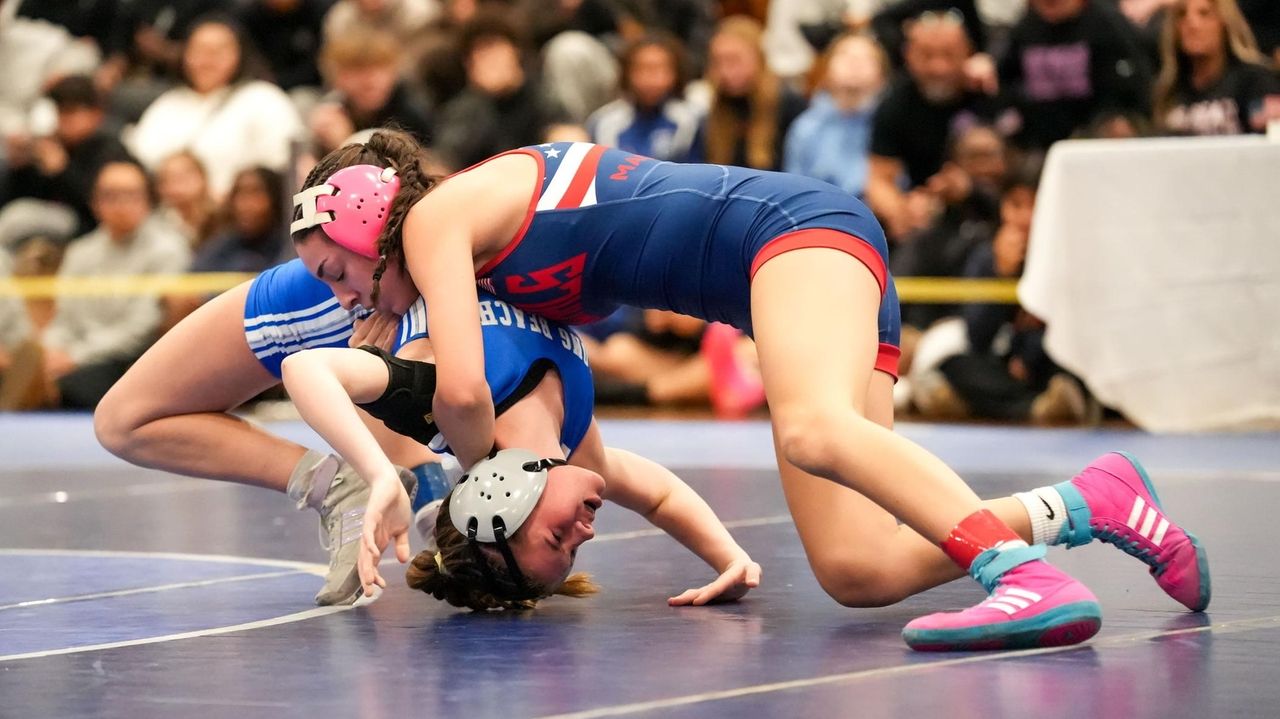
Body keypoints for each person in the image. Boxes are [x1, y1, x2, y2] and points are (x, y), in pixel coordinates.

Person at [291, 129, 1211, 651]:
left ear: (374, 223)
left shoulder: (441, 222)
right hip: (804, 272)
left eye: (337, 272)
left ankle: (1019, 574)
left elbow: (460, 394)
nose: (343, 298)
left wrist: (434, 477)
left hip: (791, 234)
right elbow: (546, 422)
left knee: (813, 428)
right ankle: (1090, 502)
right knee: (861, 569)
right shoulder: (473, 257)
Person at [280, 290, 761, 609]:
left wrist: (377, 473)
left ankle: (402, 481)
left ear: (501, 499)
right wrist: (730, 559)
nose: (586, 536)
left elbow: (305, 369)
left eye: (558, 540)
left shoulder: (452, 402)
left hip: (329, 293)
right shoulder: (579, 454)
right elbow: (659, 498)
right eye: (574, 552)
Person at [95, 256, 430, 606]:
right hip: (372, 277)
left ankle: (419, 507)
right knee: (125, 421)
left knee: (124, 421)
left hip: (380, 274)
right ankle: (374, 494)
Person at [1152, 0, 1280, 135]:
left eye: (1204, 14)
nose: (1191, 23)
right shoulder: (1168, 90)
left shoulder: (1254, 80)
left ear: (1224, 23)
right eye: (1182, 14)